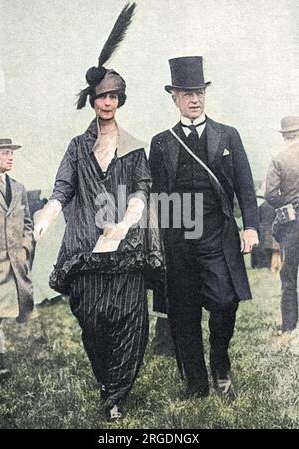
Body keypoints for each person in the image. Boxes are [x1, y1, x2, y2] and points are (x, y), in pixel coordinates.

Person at [34, 3, 164, 421]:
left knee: (129, 319)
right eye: (101, 96)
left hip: (124, 246)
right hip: (85, 248)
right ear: (91, 101)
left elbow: (143, 189)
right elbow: (62, 188)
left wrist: (126, 224)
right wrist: (49, 212)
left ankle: (116, 398)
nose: (107, 102)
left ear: (120, 100)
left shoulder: (134, 147)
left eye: (113, 96)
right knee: (92, 320)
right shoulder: (76, 147)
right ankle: (106, 381)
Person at [149, 56, 259, 397]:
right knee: (183, 312)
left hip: (216, 234)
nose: (194, 99)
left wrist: (251, 227)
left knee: (225, 302)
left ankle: (220, 364)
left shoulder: (227, 135)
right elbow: (154, 194)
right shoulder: (162, 142)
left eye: (198, 92)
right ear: (174, 98)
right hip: (177, 238)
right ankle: (197, 383)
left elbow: (244, 184)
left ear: (205, 94)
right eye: (186, 93)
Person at [0, 138, 35, 380]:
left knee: (1, 315)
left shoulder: (18, 188)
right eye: (5, 153)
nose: (10, 157)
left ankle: (0, 363)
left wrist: (25, 247)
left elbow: (28, 225)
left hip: (13, 264)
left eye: (12, 153)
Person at [265, 116, 299, 343]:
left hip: (291, 224)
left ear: (284, 135)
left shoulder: (279, 158)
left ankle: (289, 325)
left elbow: (269, 195)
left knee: (289, 276)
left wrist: (288, 203)